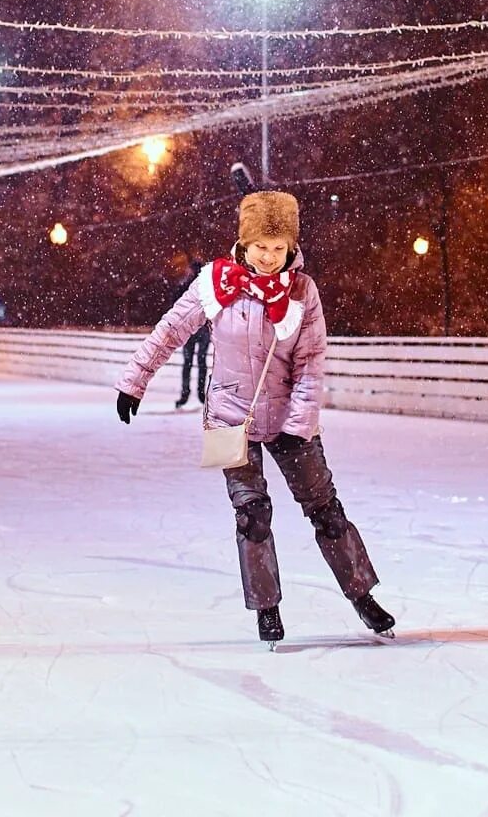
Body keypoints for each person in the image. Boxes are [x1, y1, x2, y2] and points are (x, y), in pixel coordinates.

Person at [113, 191, 394, 648]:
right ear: (243, 243)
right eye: (260, 246)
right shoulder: (214, 284)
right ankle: (267, 609)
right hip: (231, 418)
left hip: (289, 420)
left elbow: (311, 362)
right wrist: (134, 380)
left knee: (325, 510)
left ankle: (363, 596)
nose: (269, 257)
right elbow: (171, 330)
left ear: (290, 247)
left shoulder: (303, 292)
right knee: (252, 515)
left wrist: (298, 424)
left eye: (278, 247)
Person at [176, 255, 211, 409]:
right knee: (200, 361)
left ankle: (186, 393)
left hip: (190, 329)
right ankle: (200, 392)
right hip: (201, 328)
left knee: (188, 362)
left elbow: (177, 306)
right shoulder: (207, 286)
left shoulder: (185, 285)